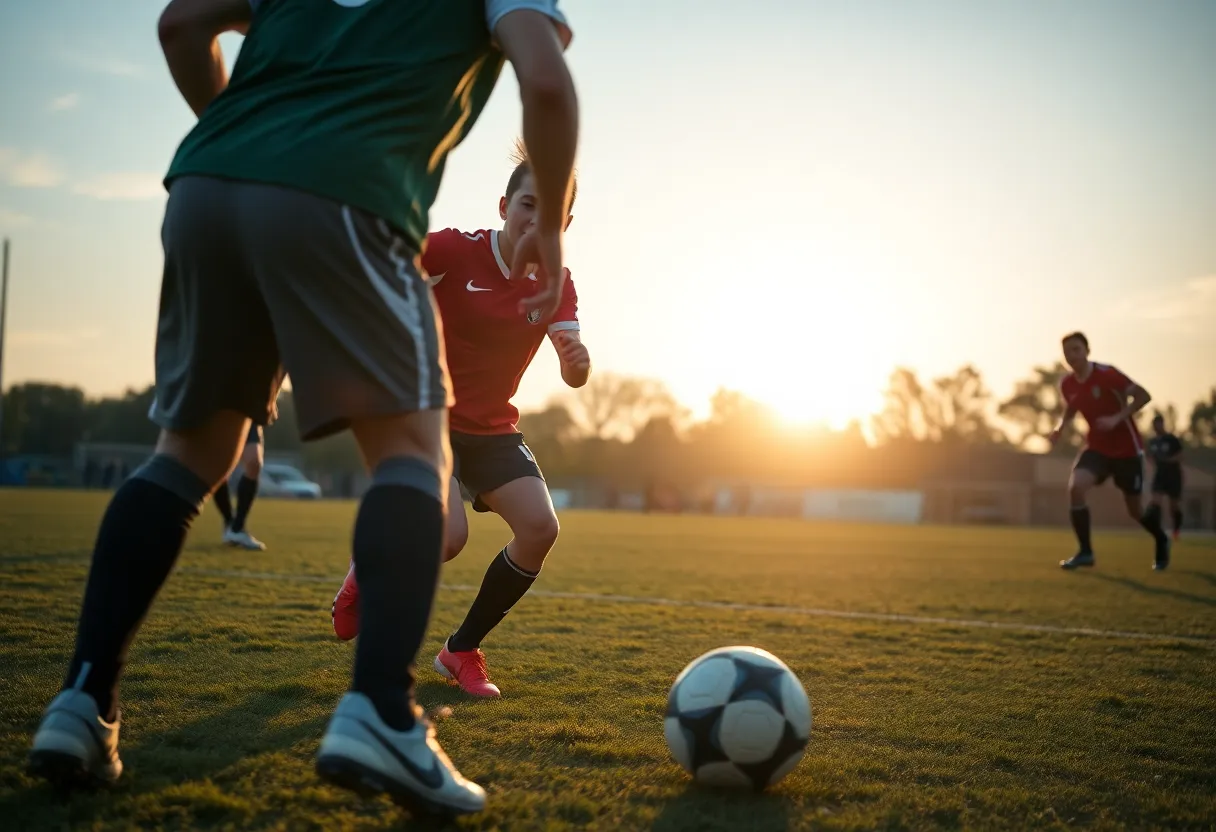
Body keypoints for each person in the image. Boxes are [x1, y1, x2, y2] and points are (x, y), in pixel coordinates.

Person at [26, 0, 579, 817]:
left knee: (187, 455)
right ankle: (383, 714)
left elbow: (181, 26)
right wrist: (556, 244)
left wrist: (251, 148)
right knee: (413, 462)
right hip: (347, 192)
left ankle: (81, 702)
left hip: (209, 182)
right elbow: (548, 85)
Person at [331, 146, 592, 701]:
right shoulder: (453, 248)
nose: (535, 220)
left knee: (541, 530)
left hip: (493, 430)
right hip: (426, 416)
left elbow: (574, 373)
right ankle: (369, 568)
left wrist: (577, 362)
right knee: (448, 537)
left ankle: (460, 649)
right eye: (527, 204)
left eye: (551, 214)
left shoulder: (557, 282)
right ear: (503, 205)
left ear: (564, 225)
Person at [1050, 332, 1170, 571]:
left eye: (1076, 349)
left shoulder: (1108, 374)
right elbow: (1072, 406)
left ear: (1087, 350)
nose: (1071, 355)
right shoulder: (1068, 384)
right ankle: (1086, 552)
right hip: (1096, 448)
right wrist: (1060, 428)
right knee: (1076, 488)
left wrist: (1117, 418)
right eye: (1066, 352)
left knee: (1135, 512)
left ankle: (1161, 538)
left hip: (1127, 450)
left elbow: (1143, 396)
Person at [213, 424, 265, 550]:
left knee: (254, 463)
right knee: (219, 468)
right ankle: (230, 523)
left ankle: (237, 527)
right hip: (218, 411)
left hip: (249, 412)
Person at [1146, 413, 1185, 540]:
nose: (1156, 427)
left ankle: (1176, 530)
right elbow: (1150, 457)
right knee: (1156, 501)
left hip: (1173, 475)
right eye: (1154, 424)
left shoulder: (1171, 439)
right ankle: (1157, 530)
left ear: (1162, 424)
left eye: (1158, 424)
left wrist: (1167, 460)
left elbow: (1180, 456)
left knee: (1173, 506)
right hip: (1160, 475)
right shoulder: (1152, 442)